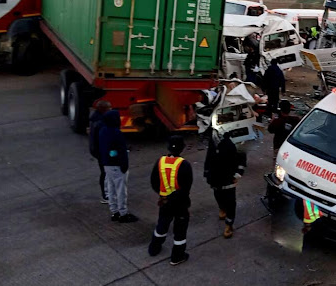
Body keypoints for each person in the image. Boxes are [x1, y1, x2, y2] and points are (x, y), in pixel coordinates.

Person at [148, 136, 193, 266]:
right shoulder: (184, 165)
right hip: (180, 204)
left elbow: (154, 182)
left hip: (165, 202)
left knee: (162, 224)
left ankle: (154, 248)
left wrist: (163, 195)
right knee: (180, 231)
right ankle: (177, 256)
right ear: (182, 148)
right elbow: (186, 187)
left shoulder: (160, 162)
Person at [204, 130, 246, 239]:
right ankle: (222, 208)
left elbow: (242, 157)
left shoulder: (237, 137)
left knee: (231, 203)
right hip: (215, 177)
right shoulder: (214, 137)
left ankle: (229, 224)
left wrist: (238, 174)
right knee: (218, 195)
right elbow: (209, 155)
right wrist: (207, 172)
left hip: (229, 177)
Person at [99, 110, 138, 223]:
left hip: (107, 164)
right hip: (117, 165)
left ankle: (114, 211)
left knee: (111, 188)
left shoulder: (103, 131)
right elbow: (119, 151)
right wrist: (123, 164)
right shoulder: (116, 133)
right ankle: (123, 213)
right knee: (121, 190)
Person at [89, 100, 112, 204]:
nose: (111, 110)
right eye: (109, 108)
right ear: (103, 110)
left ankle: (107, 193)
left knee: (105, 172)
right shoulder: (101, 124)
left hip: (97, 151)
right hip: (101, 152)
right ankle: (106, 195)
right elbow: (105, 141)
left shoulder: (96, 120)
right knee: (105, 173)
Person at [267, 100, 301, 166]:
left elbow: (270, 130)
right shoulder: (296, 120)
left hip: (279, 146)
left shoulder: (277, 121)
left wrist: (273, 120)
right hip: (291, 146)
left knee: (278, 164)